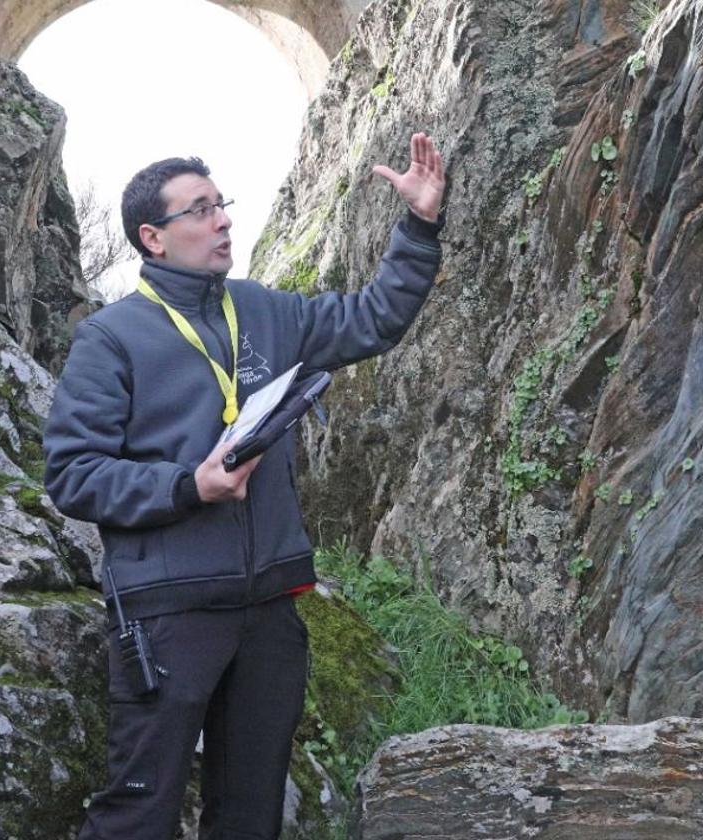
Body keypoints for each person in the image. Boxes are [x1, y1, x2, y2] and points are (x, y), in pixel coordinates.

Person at [43, 133, 446, 839]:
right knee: (139, 812)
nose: (223, 219)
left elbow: (375, 318)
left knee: (251, 815)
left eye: (220, 204)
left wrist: (418, 225)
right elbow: (74, 475)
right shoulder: (110, 339)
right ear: (153, 238)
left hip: (269, 614)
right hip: (168, 616)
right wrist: (188, 486)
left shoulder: (267, 311)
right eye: (199, 210)